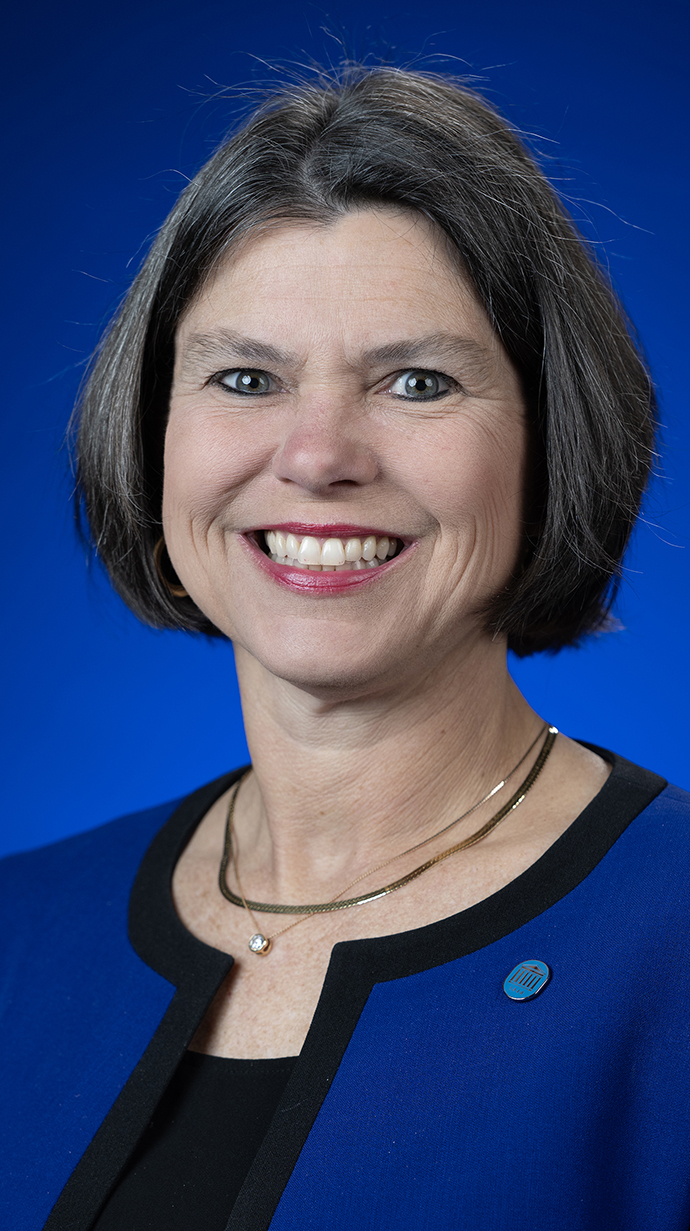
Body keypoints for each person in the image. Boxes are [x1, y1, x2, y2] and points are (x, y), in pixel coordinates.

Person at [1, 64, 688, 1231]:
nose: (318, 456)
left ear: (549, 439)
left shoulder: (670, 939)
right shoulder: (21, 930)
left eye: (416, 382)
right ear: (154, 432)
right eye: (245, 378)